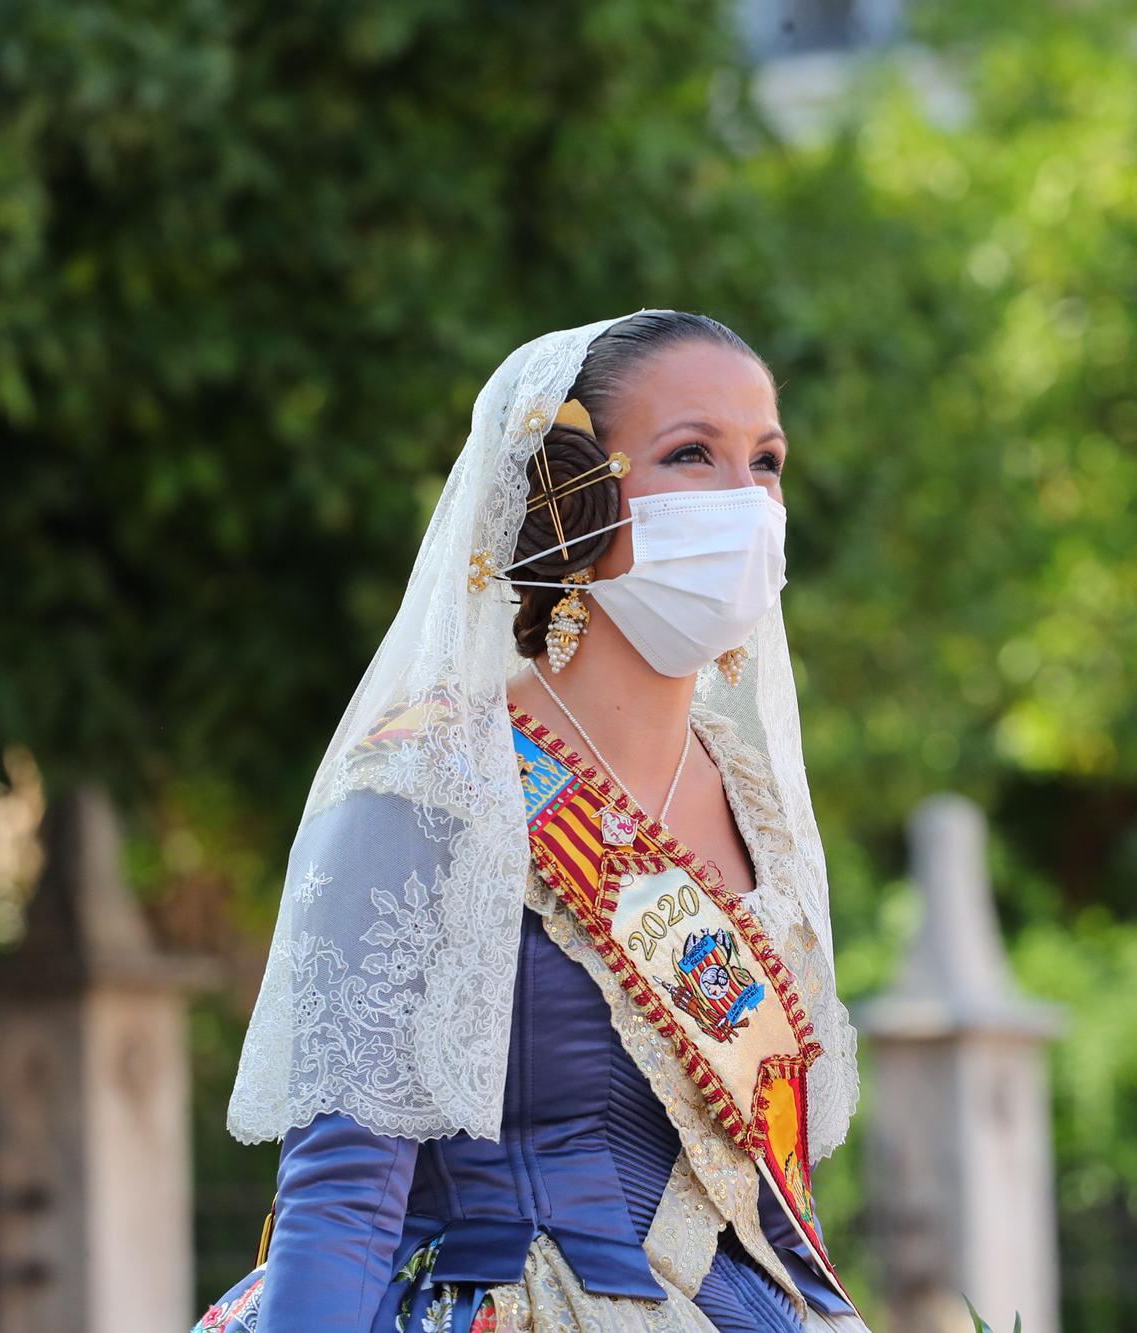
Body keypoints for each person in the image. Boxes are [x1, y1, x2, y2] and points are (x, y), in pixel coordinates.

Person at [195, 310, 866, 1332]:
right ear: (567, 497)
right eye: (692, 453)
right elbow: (339, 1199)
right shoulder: (427, 787)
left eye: (765, 461)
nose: (746, 499)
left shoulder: (755, 805)